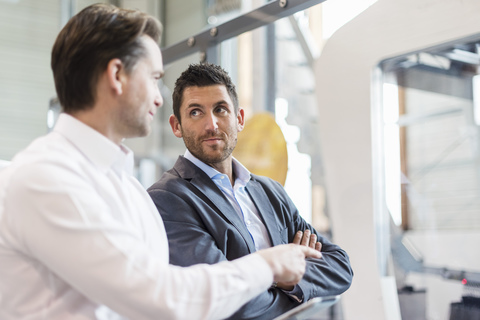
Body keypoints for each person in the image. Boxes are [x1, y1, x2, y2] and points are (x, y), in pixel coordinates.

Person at [0, 4, 322, 320]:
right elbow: (165, 299)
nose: (159, 95)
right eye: (154, 77)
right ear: (117, 75)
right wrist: (270, 265)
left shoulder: (128, 188)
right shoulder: (44, 178)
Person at [147, 63, 354, 320]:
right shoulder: (166, 198)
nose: (211, 124)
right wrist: (285, 278)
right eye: (196, 112)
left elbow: (341, 266)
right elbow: (228, 303)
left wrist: (289, 282)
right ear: (176, 125)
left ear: (239, 118)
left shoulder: (270, 192)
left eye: (220, 109)